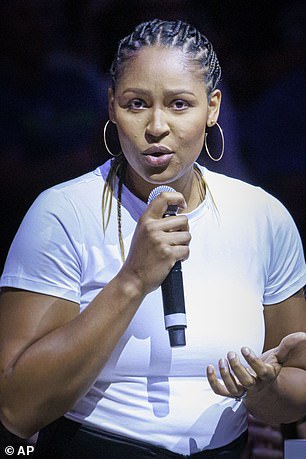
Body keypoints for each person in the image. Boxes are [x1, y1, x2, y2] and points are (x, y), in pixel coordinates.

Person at [0, 19, 305, 459]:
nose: (156, 126)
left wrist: (264, 390)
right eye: (136, 104)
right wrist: (132, 280)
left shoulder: (262, 216)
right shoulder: (61, 214)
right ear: (110, 106)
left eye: (180, 104)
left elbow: (298, 383)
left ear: (213, 108)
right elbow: (16, 408)